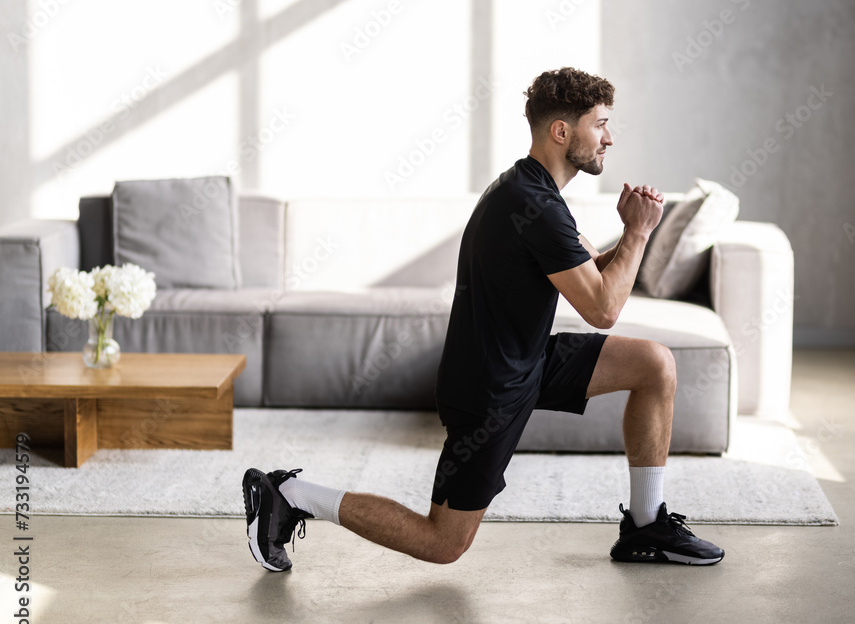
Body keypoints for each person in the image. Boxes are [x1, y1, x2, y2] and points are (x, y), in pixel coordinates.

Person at [242, 67, 724, 571]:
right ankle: (290, 493)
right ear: (562, 132)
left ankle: (646, 528)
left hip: (528, 359)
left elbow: (588, 270)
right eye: (600, 123)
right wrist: (639, 234)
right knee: (443, 543)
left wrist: (632, 233)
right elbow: (602, 308)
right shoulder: (533, 204)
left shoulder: (531, 189)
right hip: (489, 389)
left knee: (654, 364)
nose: (610, 136)